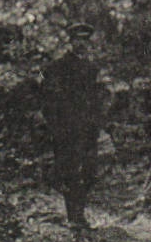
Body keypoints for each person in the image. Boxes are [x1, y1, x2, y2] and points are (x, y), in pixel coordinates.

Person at [41, 22, 108, 229]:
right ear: (70, 41)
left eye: (85, 40)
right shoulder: (57, 68)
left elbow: (99, 98)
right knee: (71, 172)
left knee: (90, 171)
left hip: (88, 128)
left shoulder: (93, 68)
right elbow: (48, 99)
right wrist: (55, 125)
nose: (82, 44)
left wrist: (99, 120)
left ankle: (75, 210)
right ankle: (75, 216)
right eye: (78, 39)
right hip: (66, 129)